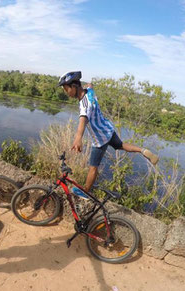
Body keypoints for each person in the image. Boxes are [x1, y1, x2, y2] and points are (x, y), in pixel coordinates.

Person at [58, 71, 159, 199]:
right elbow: (90, 85)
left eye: (66, 89)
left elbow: (82, 122)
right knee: (121, 145)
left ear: (74, 86)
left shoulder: (84, 105)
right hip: (108, 130)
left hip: (100, 139)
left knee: (93, 167)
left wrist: (78, 138)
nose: (66, 93)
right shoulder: (90, 92)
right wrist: (89, 85)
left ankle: (86, 192)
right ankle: (142, 150)